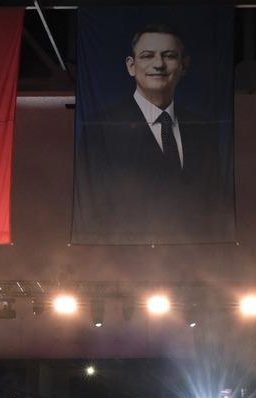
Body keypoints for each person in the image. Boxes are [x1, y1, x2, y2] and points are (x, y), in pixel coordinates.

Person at [74, 23, 231, 242]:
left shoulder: (204, 128)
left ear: (184, 65)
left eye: (169, 56)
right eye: (147, 56)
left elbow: (215, 202)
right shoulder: (100, 127)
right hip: (123, 253)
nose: (158, 64)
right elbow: (92, 203)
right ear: (131, 65)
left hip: (198, 253)